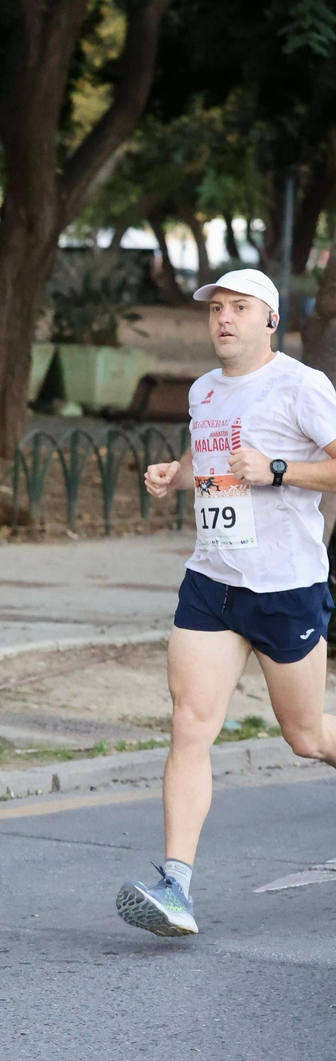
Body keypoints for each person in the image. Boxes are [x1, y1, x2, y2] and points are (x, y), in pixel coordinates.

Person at [117, 267, 336, 936]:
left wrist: (276, 470)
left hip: (286, 587)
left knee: (306, 735)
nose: (224, 318)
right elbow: (210, 459)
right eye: (217, 307)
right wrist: (176, 474)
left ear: (269, 320)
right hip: (212, 582)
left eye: (239, 307)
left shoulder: (302, 386)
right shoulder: (205, 389)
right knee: (190, 724)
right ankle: (175, 884)